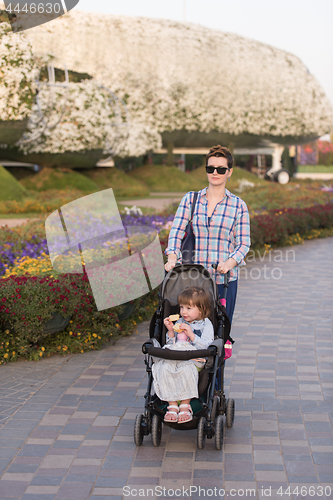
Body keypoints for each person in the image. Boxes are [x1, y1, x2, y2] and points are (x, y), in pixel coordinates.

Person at [164, 144, 251, 326]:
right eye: (211, 168)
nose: (215, 172)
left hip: (223, 281)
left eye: (221, 169)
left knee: (219, 331)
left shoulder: (238, 205)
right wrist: (172, 257)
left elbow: (243, 243)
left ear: (229, 172)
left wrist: (229, 263)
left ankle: (218, 355)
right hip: (193, 280)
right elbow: (176, 232)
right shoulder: (191, 199)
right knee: (189, 333)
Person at [152, 287, 214, 423]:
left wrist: (191, 334)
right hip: (177, 357)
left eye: (188, 308)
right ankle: (172, 405)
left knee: (186, 369)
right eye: (181, 307)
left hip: (195, 359)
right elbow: (171, 344)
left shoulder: (206, 325)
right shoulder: (180, 321)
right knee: (165, 368)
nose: (183, 312)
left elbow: (207, 346)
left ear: (201, 309)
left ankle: (185, 405)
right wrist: (170, 330)